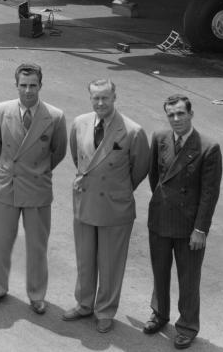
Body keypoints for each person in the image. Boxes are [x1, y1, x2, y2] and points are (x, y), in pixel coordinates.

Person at [64, 78, 149, 333]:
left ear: (115, 97)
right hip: (86, 201)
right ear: (90, 98)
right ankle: (84, 304)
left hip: (115, 206)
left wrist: (117, 189)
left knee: (110, 263)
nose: (100, 102)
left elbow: (140, 168)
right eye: (96, 98)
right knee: (85, 259)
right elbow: (78, 158)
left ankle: (105, 311)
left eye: (105, 97)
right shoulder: (80, 123)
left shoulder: (132, 131)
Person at [0, 62, 67, 312]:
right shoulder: (2, 110)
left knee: (37, 246)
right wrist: (11, 168)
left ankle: (37, 295)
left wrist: (38, 170)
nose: (28, 91)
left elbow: (58, 151)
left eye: (33, 85)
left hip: (37, 187)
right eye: (23, 85)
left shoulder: (55, 116)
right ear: (16, 85)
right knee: (1, 242)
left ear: (41, 85)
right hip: (7, 185)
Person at [143, 94, 222, 350]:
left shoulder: (208, 147)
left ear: (191, 114)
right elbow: (155, 178)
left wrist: (200, 229)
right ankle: (159, 313)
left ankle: (187, 326)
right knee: (160, 270)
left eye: (180, 113)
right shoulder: (159, 138)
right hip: (160, 218)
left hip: (189, 226)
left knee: (189, 278)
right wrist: (163, 202)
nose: (176, 119)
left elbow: (209, 194)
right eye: (171, 114)